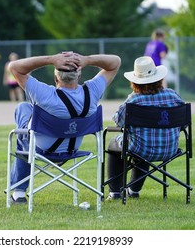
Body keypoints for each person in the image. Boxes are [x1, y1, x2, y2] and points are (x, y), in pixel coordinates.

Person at [8, 51, 121, 204]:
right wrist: (86, 59)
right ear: (79, 76)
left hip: (42, 150)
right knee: (26, 113)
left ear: (56, 78)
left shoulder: (45, 94)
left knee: (23, 111)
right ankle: (18, 191)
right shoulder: (92, 92)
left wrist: (50, 60)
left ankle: (19, 192)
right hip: (73, 149)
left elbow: (14, 67)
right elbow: (115, 62)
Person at [106, 56, 184, 200]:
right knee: (141, 145)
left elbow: (119, 121)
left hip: (142, 149)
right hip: (169, 149)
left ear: (135, 82)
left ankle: (115, 192)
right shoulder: (173, 96)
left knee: (115, 144)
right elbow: (182, 122)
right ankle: (133, 190)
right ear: (159, 78)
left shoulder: (134, 100)